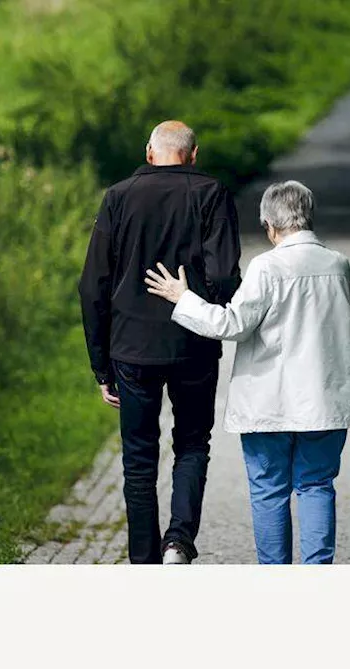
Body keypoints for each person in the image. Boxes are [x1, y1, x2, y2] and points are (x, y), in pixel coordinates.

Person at [143, 180, 350, 564]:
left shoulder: (266, 267)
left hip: (270, 402)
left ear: (270, 225)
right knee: (317, 486)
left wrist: (184, 298)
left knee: (269, 490)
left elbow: (232, 324)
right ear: (307, 216)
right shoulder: (337, 264)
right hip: (325, 400)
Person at [78, 120, 242, 564]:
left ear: (149, 153)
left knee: (138, 458)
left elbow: (93, 285)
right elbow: (225, 275)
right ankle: (179, 542)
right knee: (191, 444)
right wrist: (213, 306)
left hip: (130, 348)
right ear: (194, 154)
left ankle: (144, 560)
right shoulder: (213, 194)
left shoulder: (117, 197)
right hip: (194, 343)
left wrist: (100, 366)